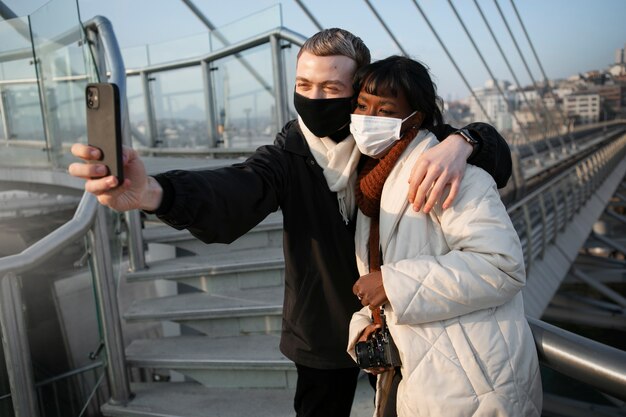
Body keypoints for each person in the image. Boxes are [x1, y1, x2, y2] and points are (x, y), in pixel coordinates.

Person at [69, 29, 514, 417]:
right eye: (304, 84)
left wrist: (466, 140)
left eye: (331, 87)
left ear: (358, 91)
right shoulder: (288, 155)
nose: (315, 99)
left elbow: (485, 153)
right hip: (323, 332)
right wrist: (154, 194)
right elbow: (237, 190)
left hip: (406, 324)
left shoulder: (391, 139)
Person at [347, 55, 541, 417]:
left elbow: (502, 266)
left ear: (414, 119)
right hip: (426, 382)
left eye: (385, 110)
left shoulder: (450, 173)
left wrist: (392, 283)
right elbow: (386, 274)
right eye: (362, 105)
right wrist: (366, 324)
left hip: (477, 389)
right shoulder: (368, 189)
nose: (368, 118)